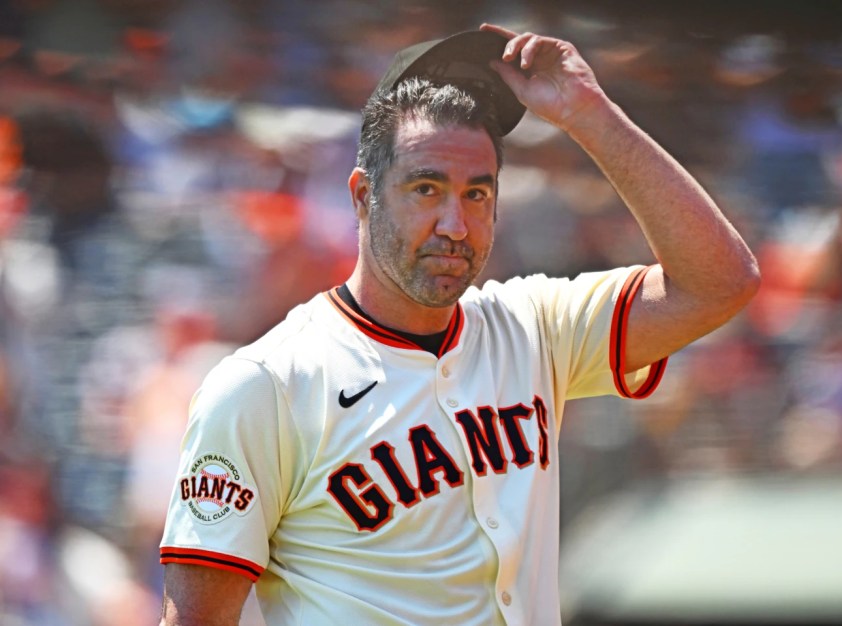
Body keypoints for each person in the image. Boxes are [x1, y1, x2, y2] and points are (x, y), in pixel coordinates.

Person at [159, 24, 760, 626]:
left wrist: (588, 114)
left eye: (478, 194)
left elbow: (720, 282)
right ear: (363, 196)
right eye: (426, 188)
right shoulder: (266, 384)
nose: (455, 223)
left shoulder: (534, 326)